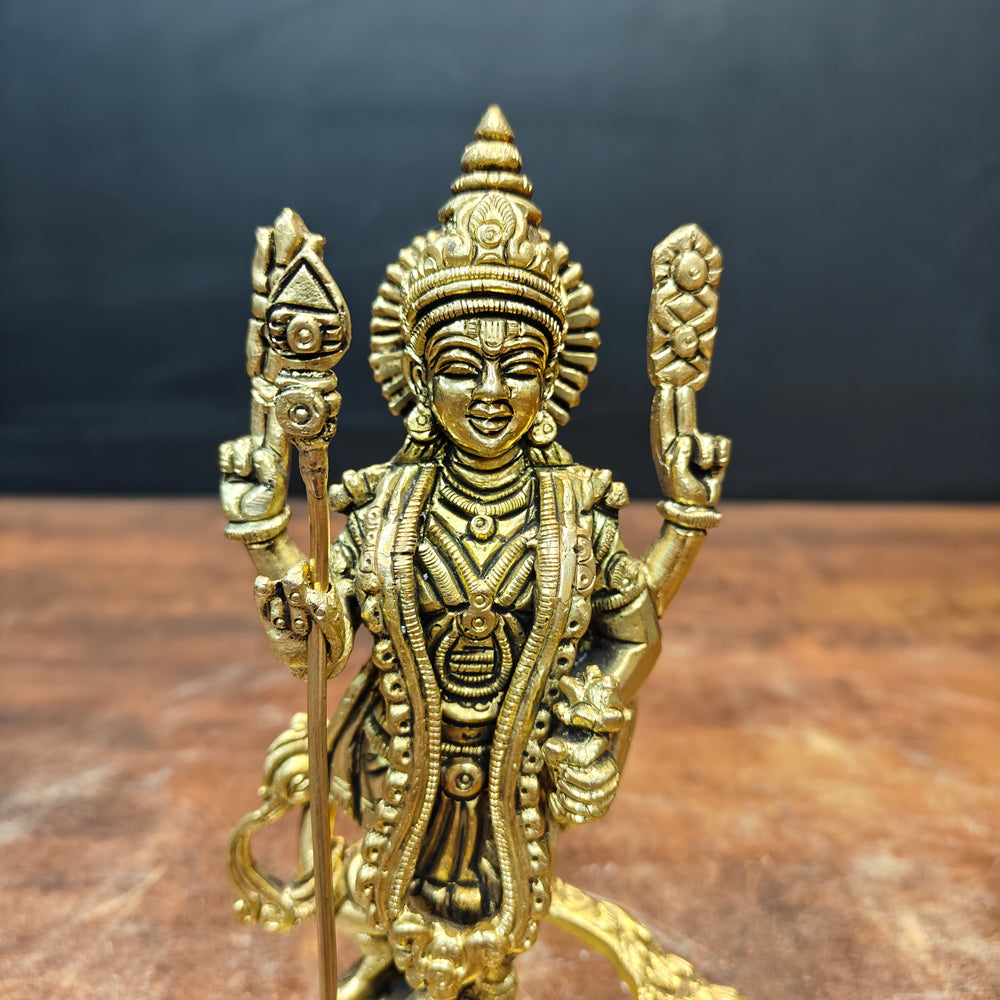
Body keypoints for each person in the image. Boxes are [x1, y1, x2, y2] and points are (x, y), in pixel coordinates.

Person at [219, 106, 730, 1000]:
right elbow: (323, 651)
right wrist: (269, 545)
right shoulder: (379, 510)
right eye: (462, 366)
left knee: (501, 920)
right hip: (398, 754)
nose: (492, 392)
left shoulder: (574, 513)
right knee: (394, 907)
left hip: (518, 756)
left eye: (519, 367)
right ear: (420, 377)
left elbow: (631, 629)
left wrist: (595, 704)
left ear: (552, 378)